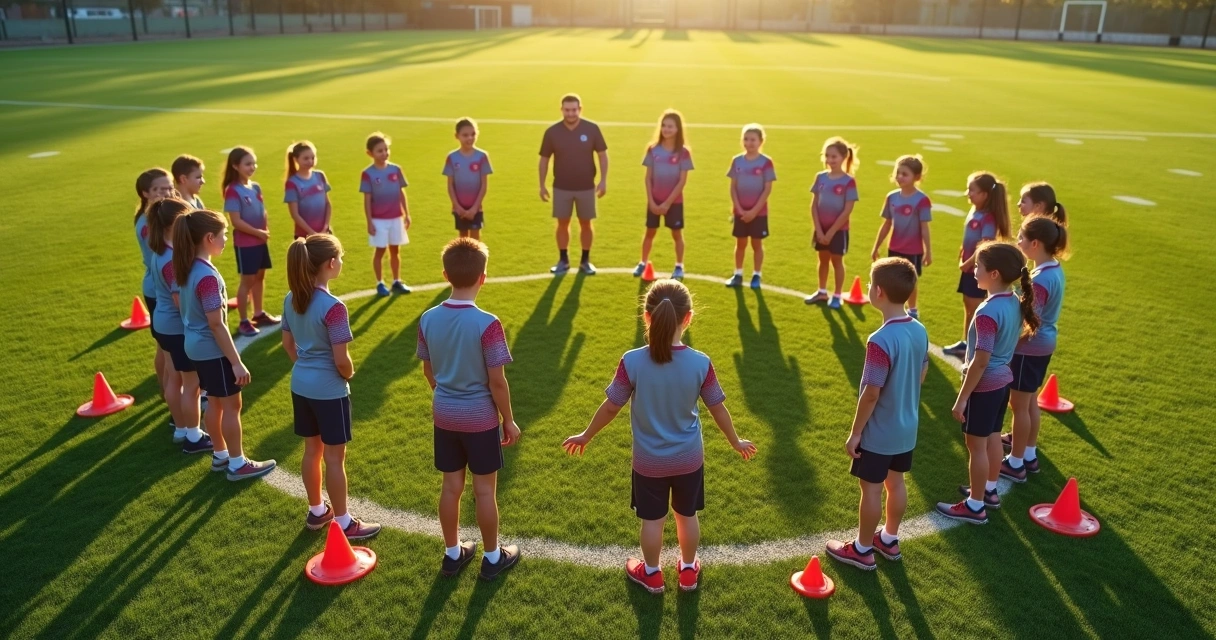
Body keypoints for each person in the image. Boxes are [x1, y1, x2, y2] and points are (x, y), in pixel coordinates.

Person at [563, 279, 757, 594]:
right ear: (688, 317)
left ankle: (651, 573)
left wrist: (587, 435)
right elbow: (718, 408)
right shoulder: (701, 362)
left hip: (649, 461)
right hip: (689, 458)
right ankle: (689, 571)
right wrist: (735, 441)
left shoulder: (632, 361)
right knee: (687, 515)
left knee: (652, 521)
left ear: (646, 316)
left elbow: (612, 407)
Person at [416, 238, 522, 580]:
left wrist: (445, 395)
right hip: (479, 418)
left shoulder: (428, 318)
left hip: (444, 413)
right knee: (485, 490)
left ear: (446, 275)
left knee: (450, 487)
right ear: (483, 277)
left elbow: (427, 369)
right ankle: (492, 559)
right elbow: (497, 382)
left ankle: (452, 554)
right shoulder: (488, 323)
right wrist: (509, 420)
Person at [826, 258, 928, 570]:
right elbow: (922, 371)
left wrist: (856, 433)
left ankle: (862, 548)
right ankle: (890, 538)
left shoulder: (879, 340)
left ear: (879, 292)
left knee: (870, 488)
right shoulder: (919, 329)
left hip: (880, 430)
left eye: (870, 284)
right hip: (906, 427)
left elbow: (871, 392)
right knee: (896, 483)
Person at [282, 234, 381, 539]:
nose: (341, 262)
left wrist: (307, 365)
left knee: (312, 451)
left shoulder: (291, 297)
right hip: (328, 390)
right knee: (335, 458)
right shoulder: (333, 307)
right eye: (340, 257)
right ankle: (344, 521)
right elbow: (342, 360)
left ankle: (316, 511)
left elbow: (288, 344)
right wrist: (348, 374)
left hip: (301, 385)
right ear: (329, 264)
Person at [936, 242, 1038, 524]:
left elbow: (981, 361)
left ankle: (975, 505)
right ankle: (989, 490)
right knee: (993, 438)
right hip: (1003, 380)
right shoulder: (1015, 301)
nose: (974, 271)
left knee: (976, 446)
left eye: (978, 267)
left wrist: (962, 398)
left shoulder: (986, 312)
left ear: (994, 274)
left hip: (985, 385)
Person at [173, 209, 277, 481]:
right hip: (210, 349)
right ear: (209, 238)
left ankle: (220, 455)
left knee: (215, 403)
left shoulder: (188, 266)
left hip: (195, 346)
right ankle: (237, 463)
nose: (226, 240)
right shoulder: (206, 276)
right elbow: (216, 323)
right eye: (223, 235)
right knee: (231, 406)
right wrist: (236, 361)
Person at [1001, 214, 1069, 482]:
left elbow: (1030, 320)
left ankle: (1016, 462)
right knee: (1029, 402)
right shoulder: (1053, 268)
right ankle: (1028, 454)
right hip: (1043, 345)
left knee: (1019, 405)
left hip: (1030, 348)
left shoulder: (1040, 279)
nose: (1017, 240)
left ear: (1035, 243)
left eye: (1021, 237)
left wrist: (1008, 342)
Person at [147, 197, 210, 454]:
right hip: (175, 326)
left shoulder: (159, 249)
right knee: (191, 383)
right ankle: (193, 436)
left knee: (174, 377)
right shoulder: (172, 258)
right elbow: (178, 300)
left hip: (162, 323)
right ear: (173, 224)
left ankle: (181, 428)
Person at [941, 172, 1011, 358]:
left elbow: (985, 244)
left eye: (972, 190)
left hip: (977, 270)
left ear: (985, 195)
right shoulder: (976, 211)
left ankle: (976, 347)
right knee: (968, 304)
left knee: (976, 307)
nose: (968, 193)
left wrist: (968, 262)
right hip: (970, 267)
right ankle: (967, 342)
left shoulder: (988, 217)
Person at [539, 93, 608, 275]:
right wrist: (542, 185)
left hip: (586, 187)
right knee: (563, 224)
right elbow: (544, 160)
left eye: (574, 110)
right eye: (567, 110)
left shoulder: (592, 129)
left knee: (586, 223)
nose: (571, 114)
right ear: (561, 110)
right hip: (561, 187)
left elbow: (602, 155)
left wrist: (603, 180)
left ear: (580, 109)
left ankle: (585, 261)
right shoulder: (552, 132)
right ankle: (564, 260)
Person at [221, 146, 280, 338]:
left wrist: (264, 230)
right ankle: (244, 321)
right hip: (246, 244)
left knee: (260, 278)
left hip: (260, 240)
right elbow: (235, 222)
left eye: (254, 163)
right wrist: (258, 232)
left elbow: (262, 211)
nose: (252, 167)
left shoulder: (255, 187)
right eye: (247, 164)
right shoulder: (232, 190)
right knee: (247, 281)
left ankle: (259, 313)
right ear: (235, 166)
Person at [868, 155, 932, 318]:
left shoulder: (922, 200)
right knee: (893, 279)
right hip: (894, 247)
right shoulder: (891, 197)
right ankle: (896, 309)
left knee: (911, 280)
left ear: (916, 177)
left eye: (905, 174)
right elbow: (887, 224)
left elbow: (924, 227)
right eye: (898, 173)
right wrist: (876, 247)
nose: (899, 177)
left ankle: (912, 310)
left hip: (913, 250)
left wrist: (928, 251)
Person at [633, 109, 693, 280]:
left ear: (678, 129)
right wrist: (651, 201)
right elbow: (647, 178)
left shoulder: (684, 153)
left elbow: (682, 181)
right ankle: (642, 262)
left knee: (676, 234)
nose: (666, 129)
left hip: (674, 202)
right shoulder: (652, 150)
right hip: (654, 201)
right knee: (649, 232)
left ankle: (679, 266)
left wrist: (667, 203)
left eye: (670, 126)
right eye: (664, 126)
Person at [805, 137, 860, 309]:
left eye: (834, 157)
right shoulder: (820, 177)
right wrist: (819, 230)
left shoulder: (848, 181)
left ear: (843, 157)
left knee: (837, 261)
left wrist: (831, 232)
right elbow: (814, 205)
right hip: (821, 229)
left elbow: (847, 210)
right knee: (822, 260)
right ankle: (821, 291)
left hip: (838, 230)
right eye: (827, 156)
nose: (829, 160)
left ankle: (837, 294)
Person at [724, 124, 776, 290]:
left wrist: (754, 211)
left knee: (756, 244)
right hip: (740, 212)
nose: (749, 142)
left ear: (761, 141)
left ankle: (756, 275)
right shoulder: (737, 161)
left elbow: (767, 189)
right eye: (746, 139)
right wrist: (738, 209)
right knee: (740, 244)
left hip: (758, 213)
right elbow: (733, 187)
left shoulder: (766, 162)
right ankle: (738, 274)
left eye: (753, 139)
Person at [361, 131, 412, 296]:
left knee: (395, 250)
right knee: (380, 251)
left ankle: (397, 281)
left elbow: (401, 192)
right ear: (370, 153)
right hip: (379, 220)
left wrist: (407, 214)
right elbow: (367, 199)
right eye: (379, 151)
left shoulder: (395, 169)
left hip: (396, 217)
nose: (384, 153)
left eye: (386, 149)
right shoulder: (368, 174)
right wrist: (369, 221)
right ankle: (380, 283)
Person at [443, 118, 493, 240]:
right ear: (457, 136)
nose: (470, 138)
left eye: (473, 134)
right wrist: (457, 207)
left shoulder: (482, 156)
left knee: (475, 242)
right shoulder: (452, 157)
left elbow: (484, 185)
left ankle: (476, 260)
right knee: (463, 240)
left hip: (476, 207)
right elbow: (450, 186)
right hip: (459, 208)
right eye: (465, 135)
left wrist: (475, 208)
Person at [284, 140, 333, 239]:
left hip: (325, 232)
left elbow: (327, 204)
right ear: (296, 159)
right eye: (306, 158)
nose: (310, 161)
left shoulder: (320, 176)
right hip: (305, 235)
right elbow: (295, 214)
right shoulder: (292, 183)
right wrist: (312, 233)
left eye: (313, 157)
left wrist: (326, 226)